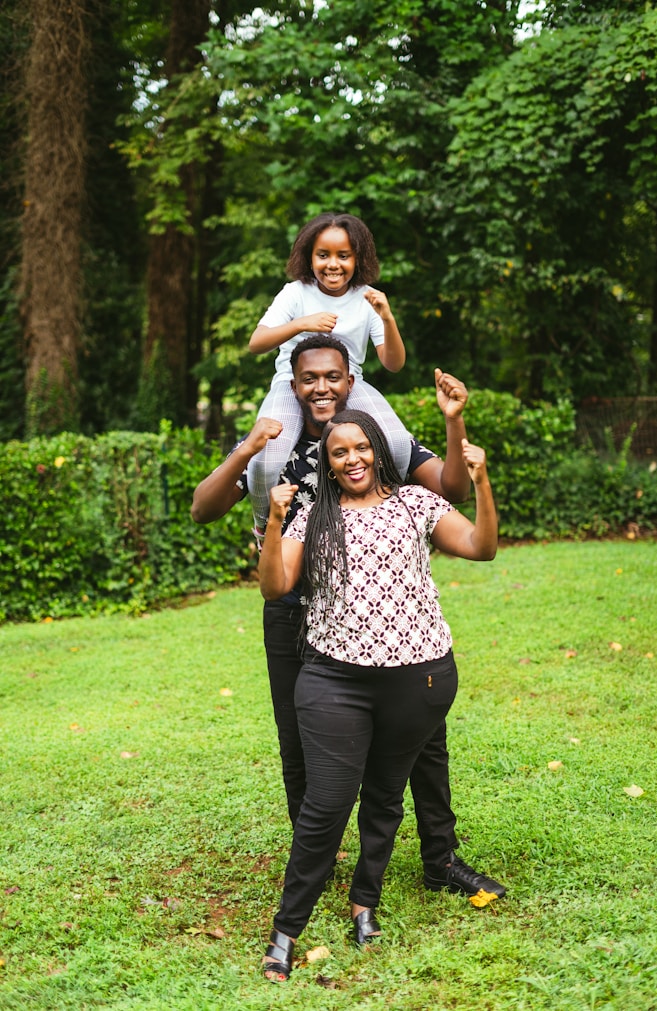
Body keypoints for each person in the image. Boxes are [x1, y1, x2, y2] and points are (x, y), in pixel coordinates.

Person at [191, 334, 506, 902]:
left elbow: (452, 490)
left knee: (426, 743)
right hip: (295, 611)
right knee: (300, 741)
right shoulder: (272, 442)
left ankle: (441, 859)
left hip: (379, 619)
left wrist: (455, 426)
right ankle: (321, 857)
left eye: (333, 377)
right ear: (294, 386)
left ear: (351, 381)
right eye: (309, 379)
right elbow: (202, 509)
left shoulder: (377, 442)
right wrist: (246, 450)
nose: (322, 388)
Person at [257, 409, 498, 980]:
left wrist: (482, 482)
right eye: (340, 452)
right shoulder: (310, 517)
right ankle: (287, 928)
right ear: (328, 462)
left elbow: (481, 546)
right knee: (328, 804)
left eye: (361, 448)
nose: (353, 459)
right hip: (334, 678)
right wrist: (273, 519)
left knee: (387, 798)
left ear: (378, 452)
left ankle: (366, 902)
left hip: (419, 678)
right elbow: (274, 586)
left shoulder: (417, 503)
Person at [247, 212, 411, 537]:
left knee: (398, 445)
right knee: (266, 461)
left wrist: (387, 318)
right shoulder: (295, 293)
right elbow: (256, 343)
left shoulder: (367, 298)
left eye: (343, 256)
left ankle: (388, 518)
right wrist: (301, 324)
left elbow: (393, 363)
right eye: (323, 255)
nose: (332, 264)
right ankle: (264, 528)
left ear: (357, 258)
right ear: (310, 257)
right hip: (291, 386)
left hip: (350, 386)